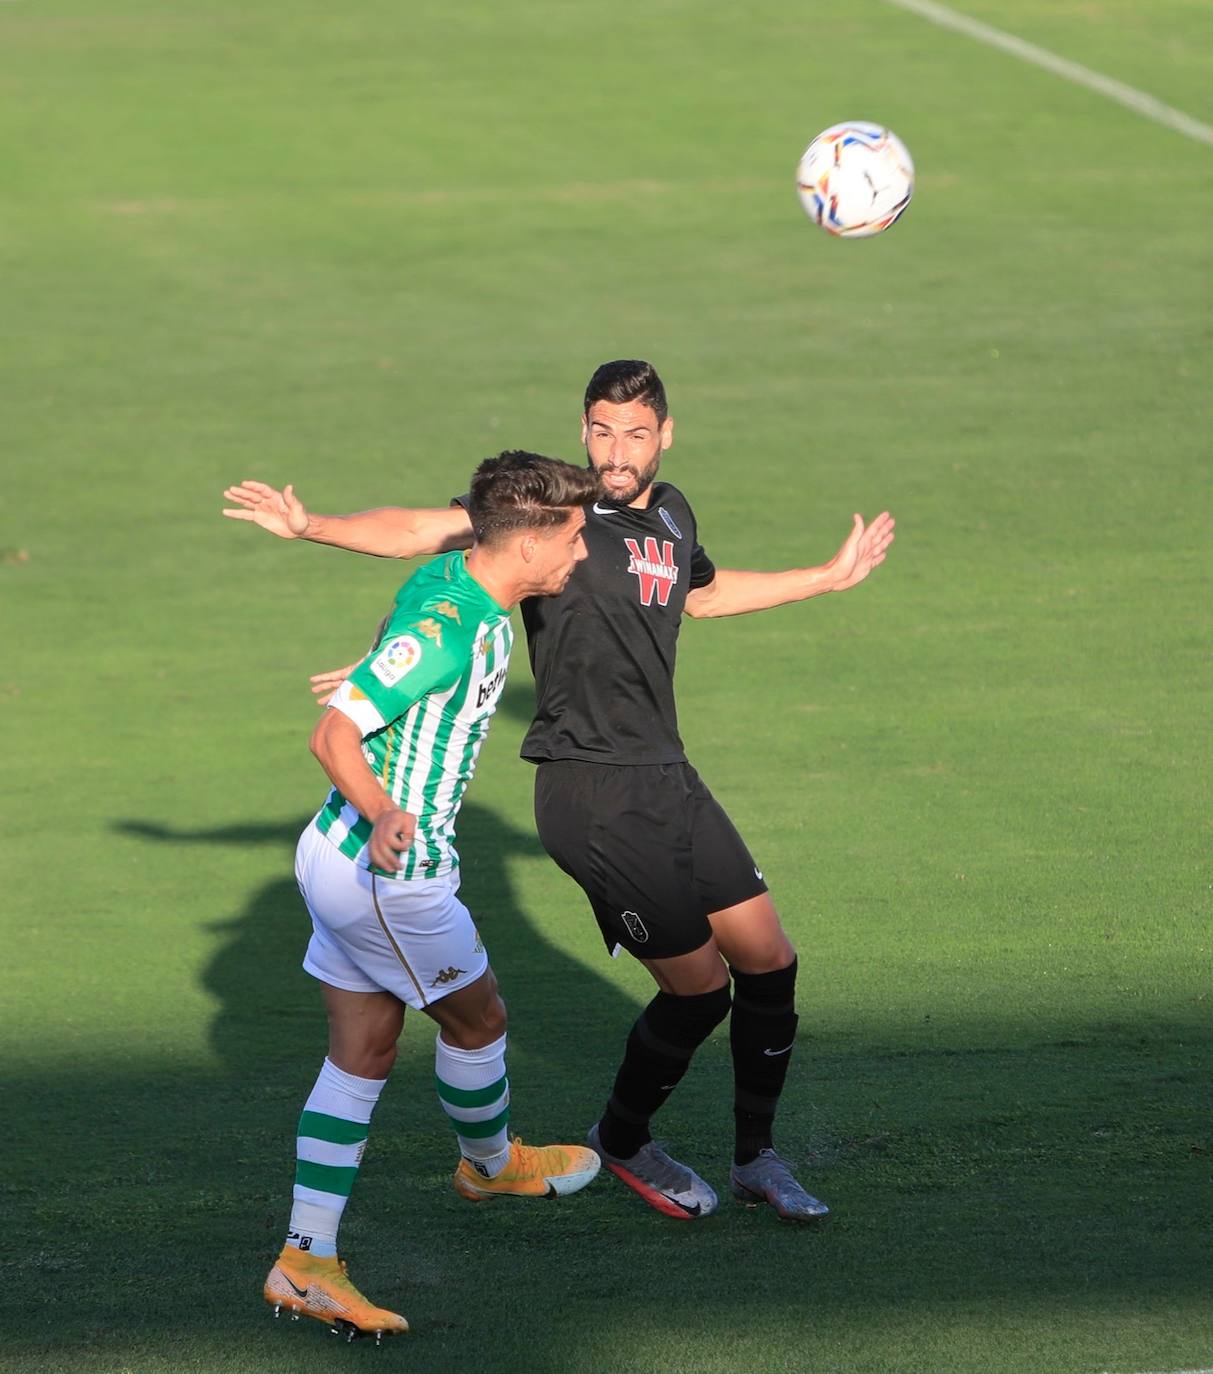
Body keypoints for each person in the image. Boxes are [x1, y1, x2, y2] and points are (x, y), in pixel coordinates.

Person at [224, 360, 895, 1226]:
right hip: (589, 789)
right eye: (602, 431)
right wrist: (311, 526)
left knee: (770, 959)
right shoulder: (551, 517)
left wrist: (825, 577)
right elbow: (424, 534)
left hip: (667, 773)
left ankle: (756, 1157)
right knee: (697, 991)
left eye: (636, 434)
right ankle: (617, 1140)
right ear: (583, 430)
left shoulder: (672, 512)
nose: (617, 452)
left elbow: (701, 595)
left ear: (665, 435)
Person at [257, 452, 603, 1343]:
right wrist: (384, 812)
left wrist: (375, 664)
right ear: (526, 544)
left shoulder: (456, 578)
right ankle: (489, 1164)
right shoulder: (454, 631)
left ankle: (304, 1262)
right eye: (572, 537)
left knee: (363, 1051)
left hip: (335, 857)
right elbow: (331, 735)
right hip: (389, 875)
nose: (581, 552)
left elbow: (410, 566)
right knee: (478, 1021)